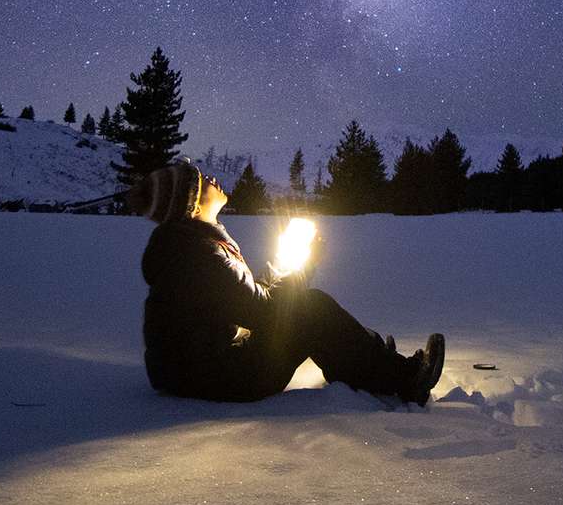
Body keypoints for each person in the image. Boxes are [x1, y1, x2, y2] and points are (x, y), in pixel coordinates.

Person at [131, 162, 445, 404]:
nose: (210, 179)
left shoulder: (191, 246)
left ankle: (362, 359)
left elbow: (249, 300)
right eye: (199, 183)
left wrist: (290, 263)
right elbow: (263, 311)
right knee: (311, 309)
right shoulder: (197, 254)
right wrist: (303, 265)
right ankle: (404, 380)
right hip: (217, 377)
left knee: (306, 310)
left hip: (197, 373)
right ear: (193, 207)